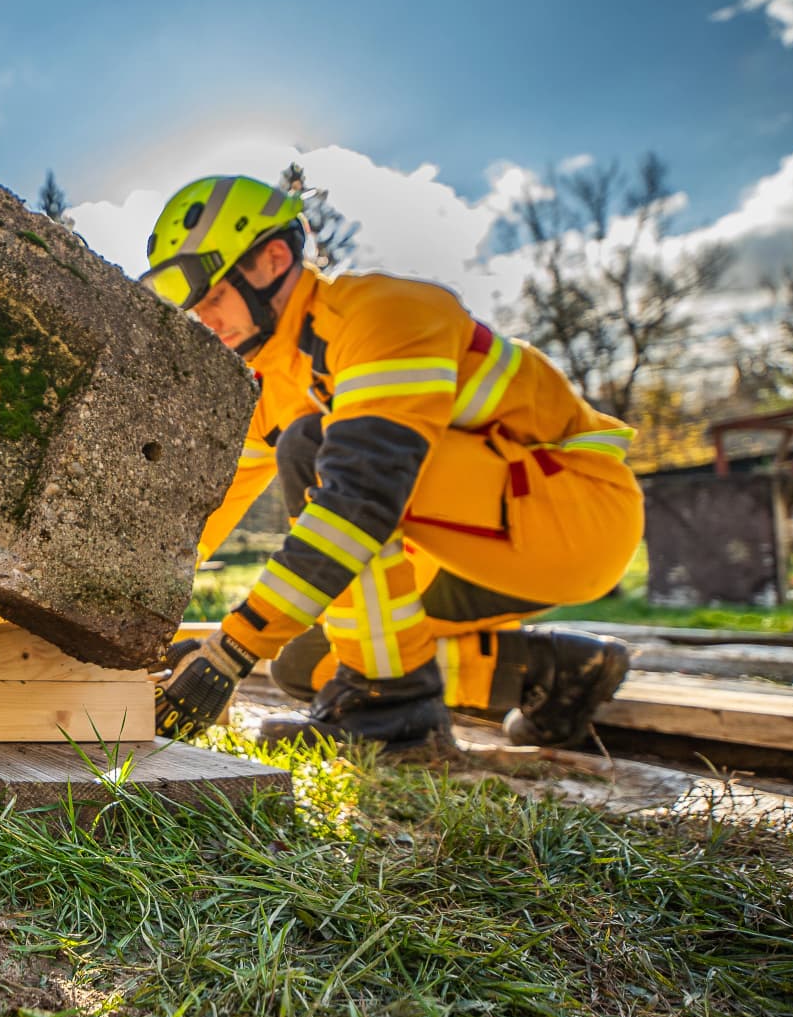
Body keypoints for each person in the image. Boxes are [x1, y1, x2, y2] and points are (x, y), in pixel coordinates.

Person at [142, 175, 640, 748]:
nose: (205, 318)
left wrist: (231, 649)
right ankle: (557, 671)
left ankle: (396, 718)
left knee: (312, 446)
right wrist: (113, 598)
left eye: (212, 296)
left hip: (575, 514)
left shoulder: (384, 317)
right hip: (473, 542)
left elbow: (358, 503)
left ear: (272, 259)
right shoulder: (275, 384)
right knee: (307, 669)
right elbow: (201, 517)